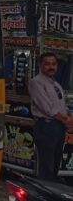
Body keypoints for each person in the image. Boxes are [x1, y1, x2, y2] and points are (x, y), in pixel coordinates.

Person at [28, 53, 73, 181]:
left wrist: (68, 117)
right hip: (46, 126)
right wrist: (66, 120)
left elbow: (61, 106)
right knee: (46, 165)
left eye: (53, 64)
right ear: (40, 65)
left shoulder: (56, 84)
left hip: (57, 127)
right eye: (47, 64)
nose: (51, 67)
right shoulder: (36, 82)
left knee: (55, 164)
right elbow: (48, 109)